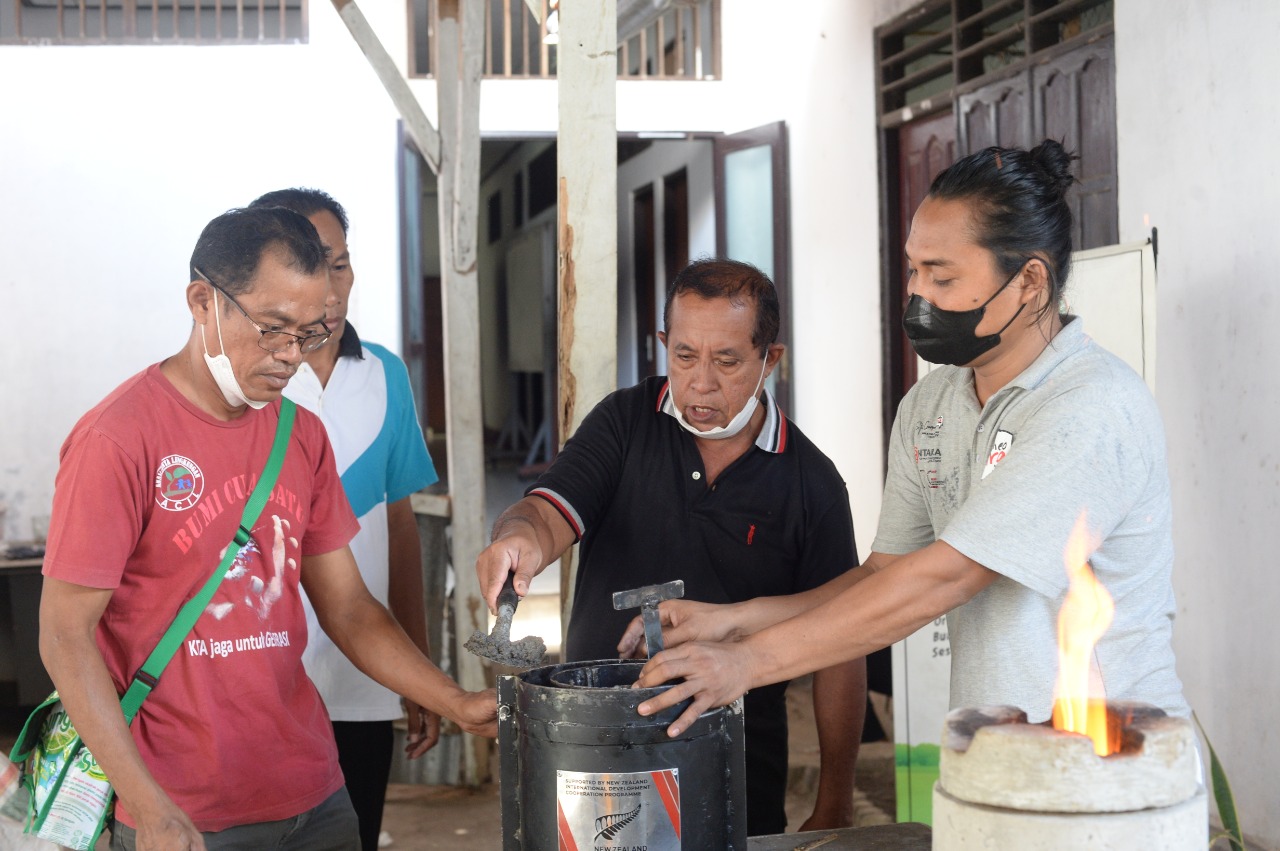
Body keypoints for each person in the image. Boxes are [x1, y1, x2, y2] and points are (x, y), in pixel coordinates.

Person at [631, 140, 1190, 741]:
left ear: (1029, 280)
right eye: (914, 270)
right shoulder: (931, 405)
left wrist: (748, 663)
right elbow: (884, 576)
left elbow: (944, 578)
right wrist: (735, 623)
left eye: (942, 276)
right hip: (998, 753)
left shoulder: (1088, 406)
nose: (918, 297)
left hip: (1110, 760)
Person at [38, 206, 497, 851]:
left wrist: (454, 700)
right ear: (203, 301)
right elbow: (64, 636)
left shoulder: (299, 435)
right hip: (185, 808)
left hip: (314, 793)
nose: (291, 357)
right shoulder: (118, 439)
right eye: (273, 328)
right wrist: (148, 804)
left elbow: (350, 607)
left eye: (308, 334)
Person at [476, 258, 866, 836]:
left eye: (727, 361)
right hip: (596, 757)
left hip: (735, 765)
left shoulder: (811, 483)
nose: (701, 383)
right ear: (664, 344)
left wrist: (835, 798)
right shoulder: (625, 423)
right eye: (684, 356)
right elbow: (546, 510)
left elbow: (843, 640)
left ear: (770, 359)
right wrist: (519, 539)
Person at [250, 188, 437, 851]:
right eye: (307, 264)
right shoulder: (251, 384)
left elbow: (402, 527)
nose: (329, 287)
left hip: (364, 676)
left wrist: (416, 667)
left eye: (339, 262)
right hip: (264, 686)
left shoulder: (385, 374)